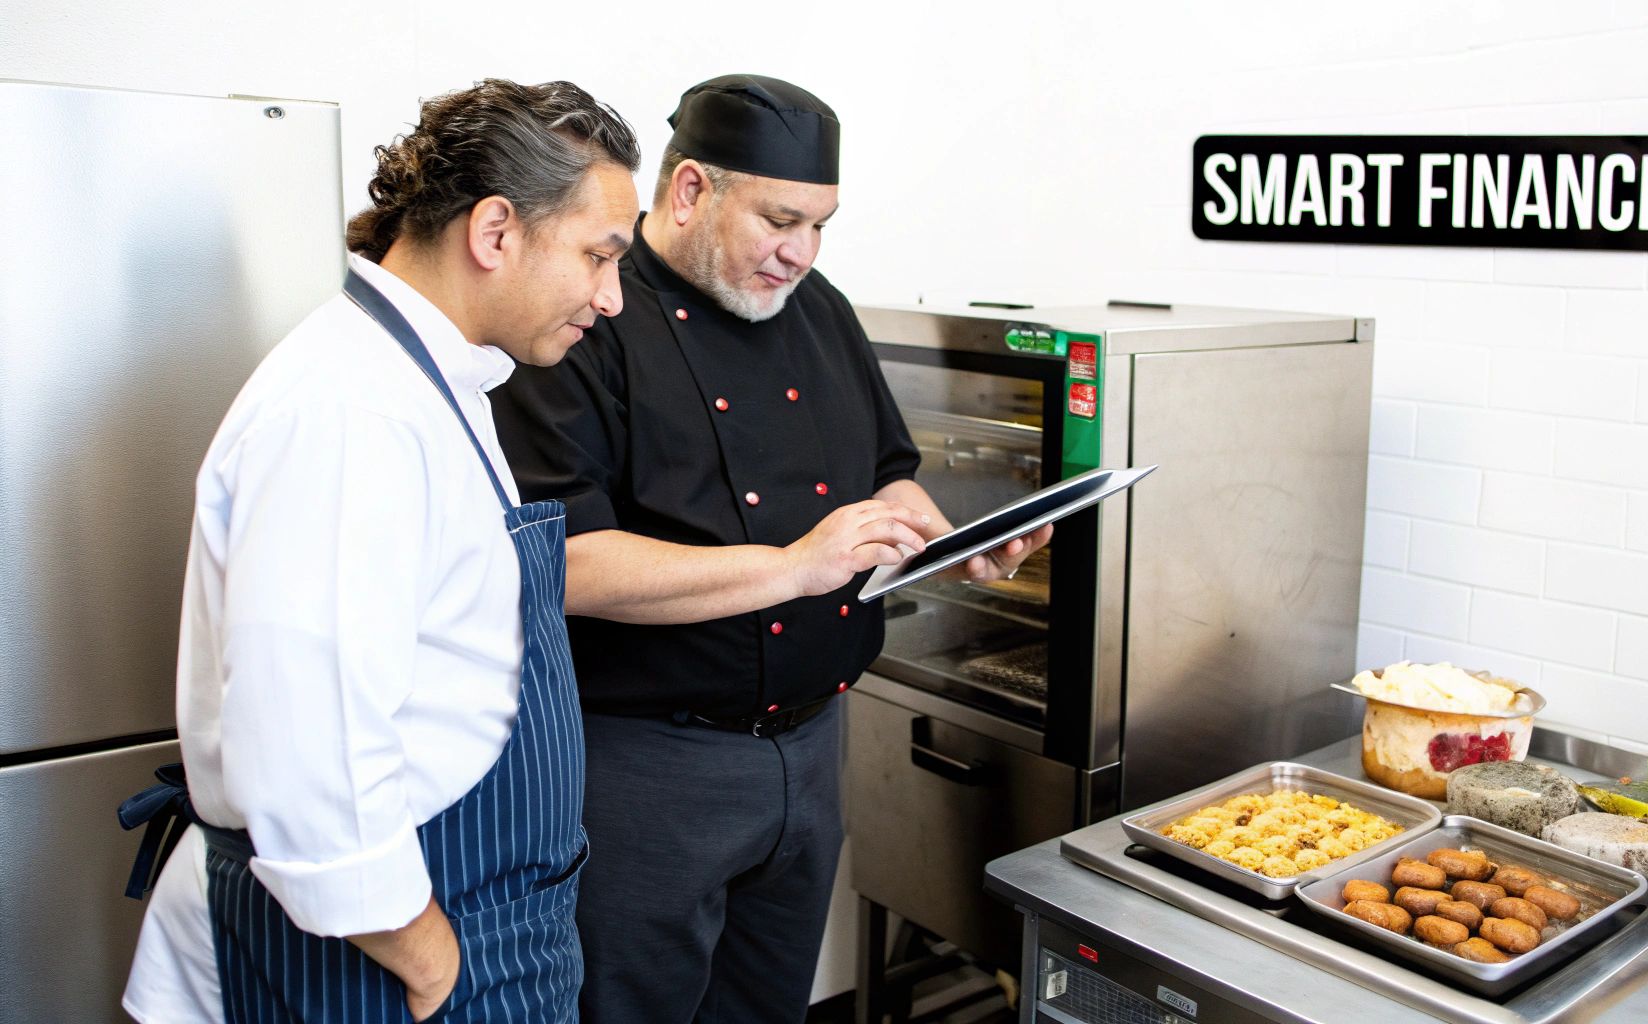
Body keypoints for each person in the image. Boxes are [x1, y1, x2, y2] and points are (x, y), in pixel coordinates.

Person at [489, 73, 1049, 1023]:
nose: (802, 252)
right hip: (645, 771)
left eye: (821, 225)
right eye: (781, 221)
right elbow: (568, 564)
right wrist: (795, 567)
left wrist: (945, 540)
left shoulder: (820, 308)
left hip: (813, 750)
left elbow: (888, 474)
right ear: (691, 190)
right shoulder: (587, 317)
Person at [117, 78, 641, 1023]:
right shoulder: (354, 408)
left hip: (475, 906)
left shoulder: (429, 380)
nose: (611, 298)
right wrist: (423, 951)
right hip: (388, 949)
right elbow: (302, 733)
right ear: (495, 232)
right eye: (598, 257)